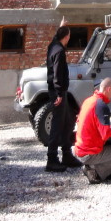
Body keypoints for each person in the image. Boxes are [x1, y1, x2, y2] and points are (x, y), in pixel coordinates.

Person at [73, 77, 111, 183]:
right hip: (89, 152)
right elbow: (105, 134)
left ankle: (90, 166)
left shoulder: (89, 100)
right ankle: (96, 172)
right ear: (108, 89)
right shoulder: (101, 106)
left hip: (79, 148)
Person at [45, 17, 81, 172]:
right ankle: (52, 159)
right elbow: (57, 74)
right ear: (66, 37)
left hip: (59, 92)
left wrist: (61, 26)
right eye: (69, 36)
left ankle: (67, 154)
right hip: (58, 92)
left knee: (68, 120)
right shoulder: (59, 52)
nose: (69, 38)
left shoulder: (53, 45)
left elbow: (55, 38)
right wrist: (59, 93)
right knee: (57, 124)